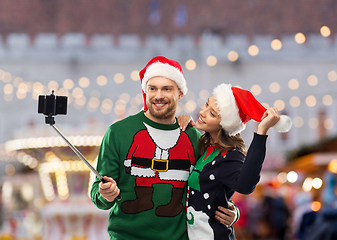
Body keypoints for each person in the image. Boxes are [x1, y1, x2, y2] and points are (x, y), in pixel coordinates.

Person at [90, 56, 238, 240]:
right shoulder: (118, 133)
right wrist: (106, 194)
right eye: (153, 88)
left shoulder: (194, 138)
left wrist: (232, 212)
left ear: (180, 93)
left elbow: (212, 185)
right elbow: (98, 194)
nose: (158, 95)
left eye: (166, 89)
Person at [178, 83, 292, 240]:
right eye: (206, 104)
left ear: (224, 124)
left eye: (212, 113)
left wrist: (261, 132)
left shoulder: (230, 155)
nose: (202, 112)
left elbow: (245, 185)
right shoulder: (205, 147)